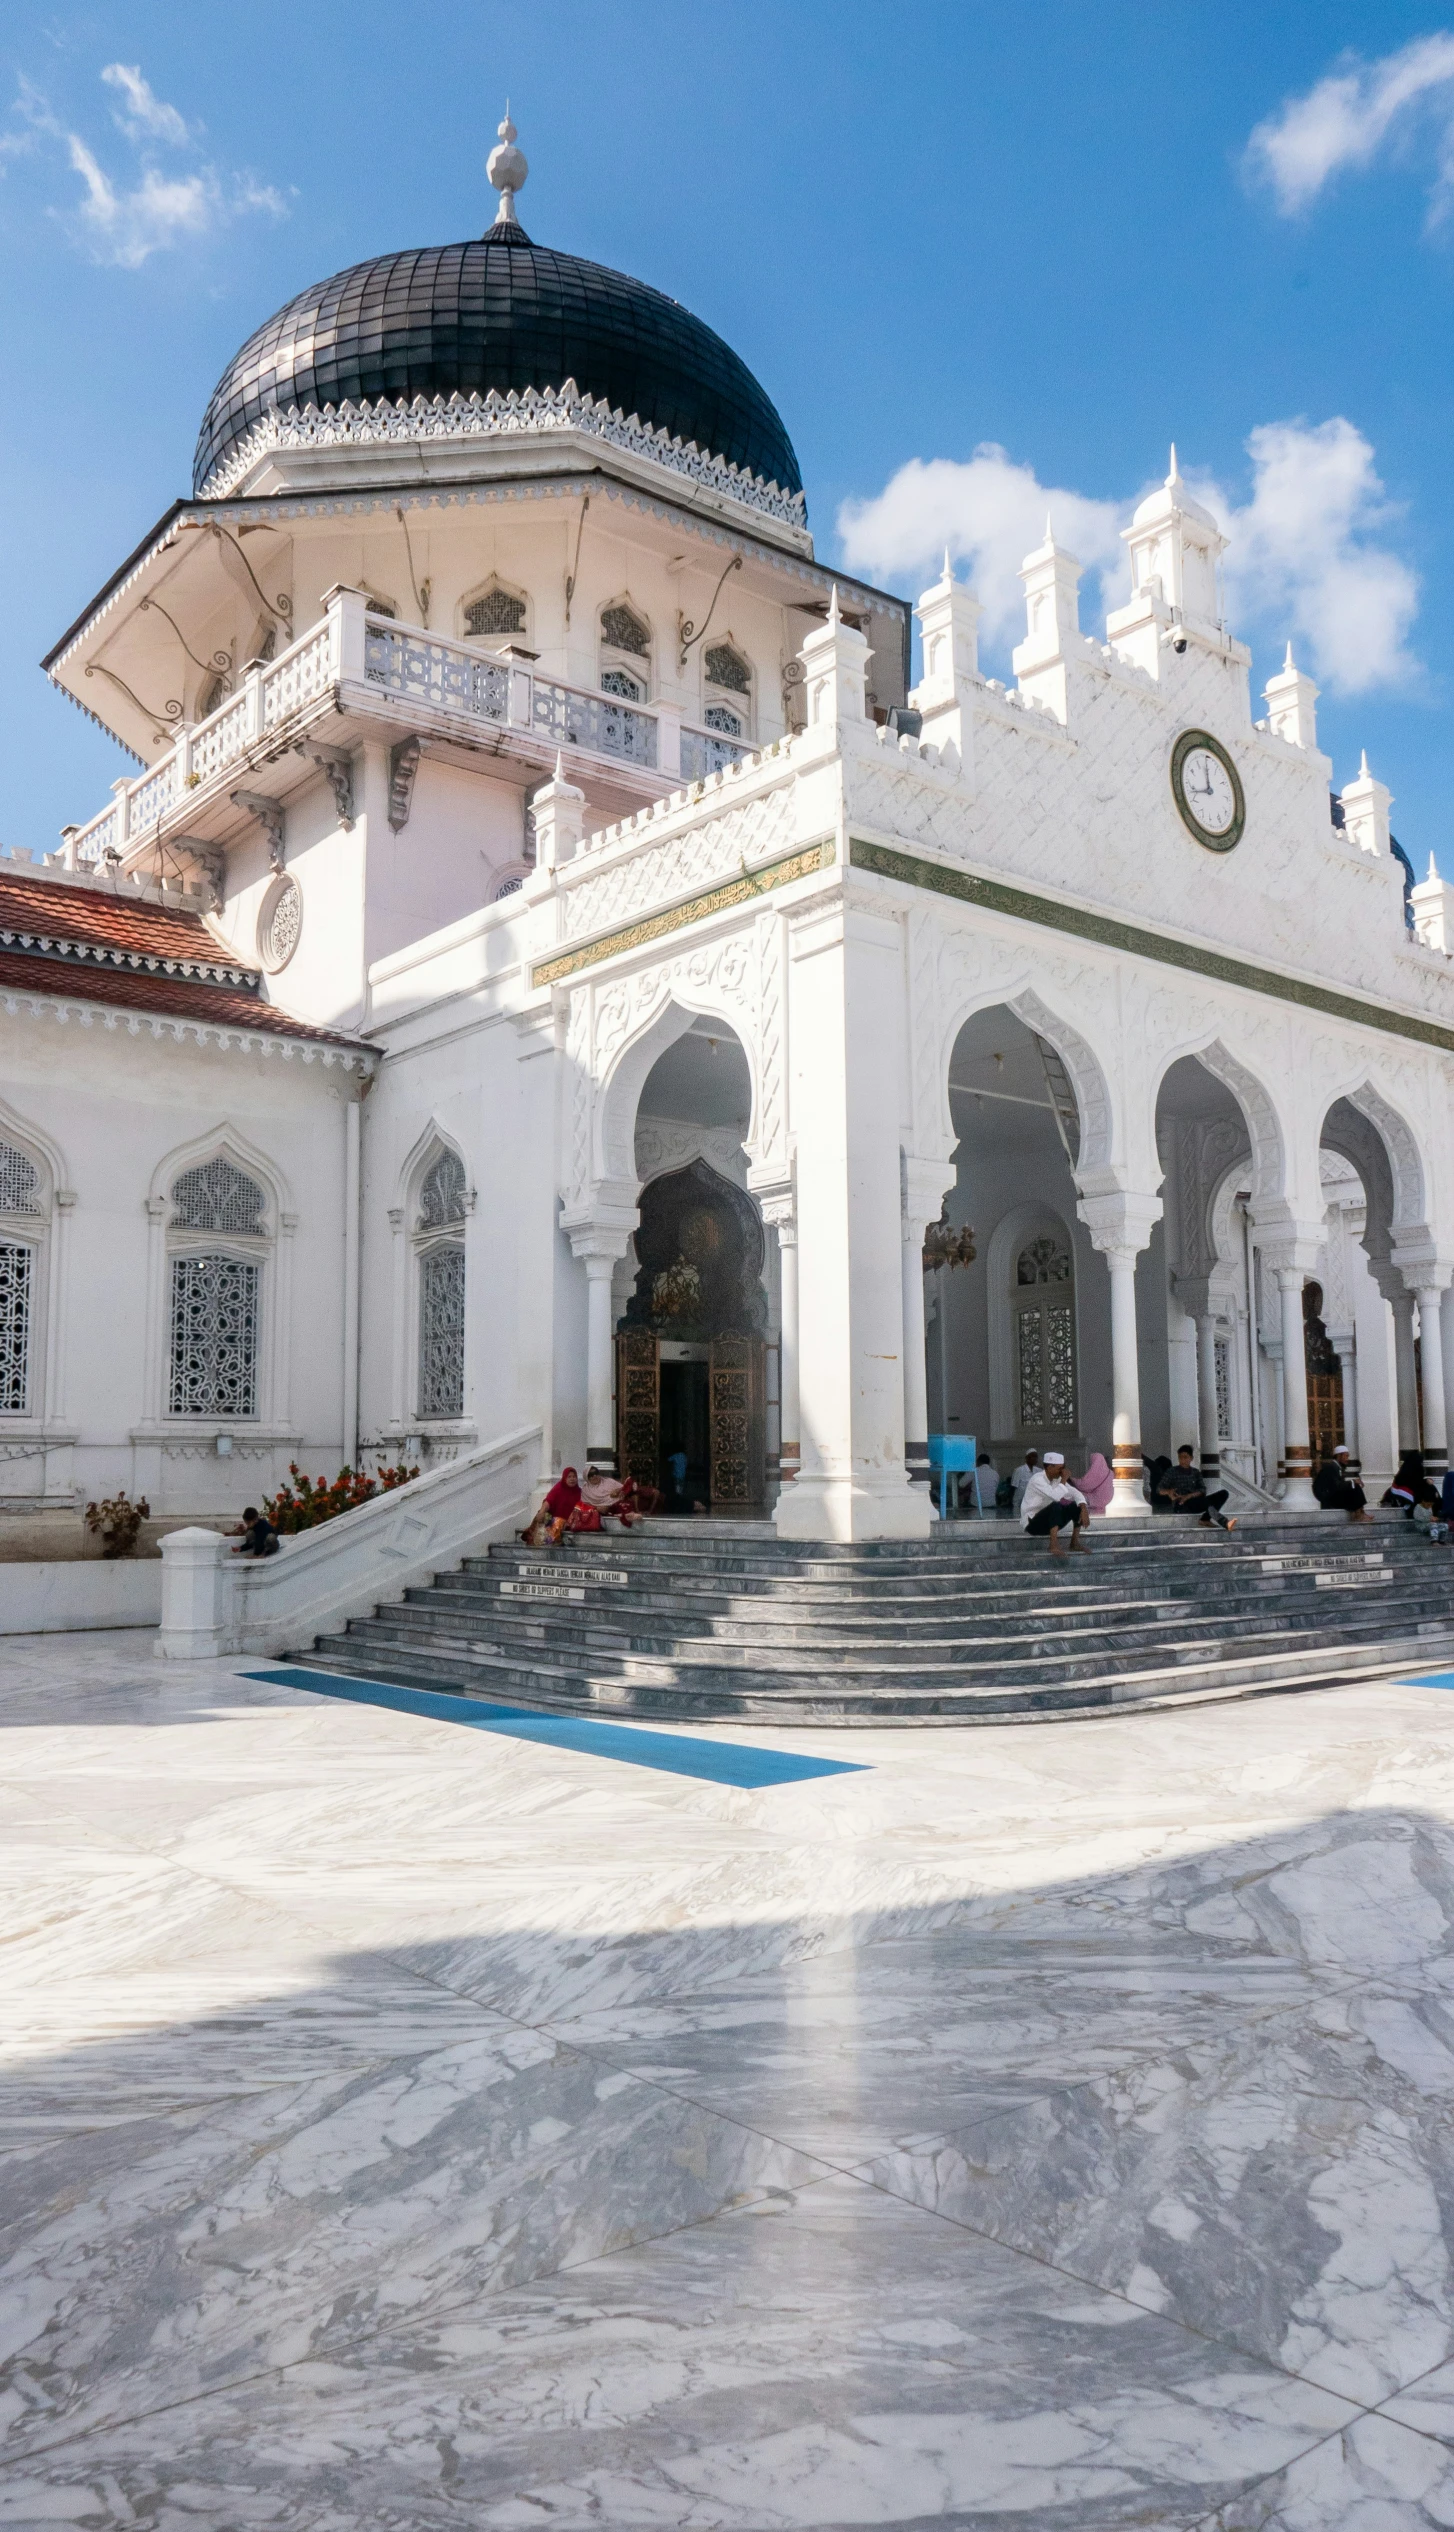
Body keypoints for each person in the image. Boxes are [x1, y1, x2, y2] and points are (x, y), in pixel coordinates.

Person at [1020, 1450, 1090, 1555]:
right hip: (1032, 1523)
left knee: (1076, 1506)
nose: (1062, 1472)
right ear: (1049, 1468)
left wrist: (1083, 1508)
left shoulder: (1057, 1480)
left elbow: (1075, 1493)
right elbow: (1055, 1496)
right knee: (1055, 1505)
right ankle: (1053, 1545)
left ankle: (1074, 1543)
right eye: (1060, 1469)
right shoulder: (1037, 1479)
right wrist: (1064, 1479)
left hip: (1050, 1521)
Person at [1157, 1445, 1237, 1530]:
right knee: (1206, 1503)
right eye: (1180, 1457)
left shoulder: (1195, 1472)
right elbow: (1159, 1489)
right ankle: (1225, 1523)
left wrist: (1189, 1496)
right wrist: (1169, 1492)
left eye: (1185, 1457)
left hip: (1196, 1501)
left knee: (1223, 1494)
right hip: (1181, 1504)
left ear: (1191, 1458)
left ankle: (1205, 1519)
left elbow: (1202, 1490)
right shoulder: (1172, 1472)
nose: (1182, 1460)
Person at [520, 1466, 585, 1547]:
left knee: (559, 1522)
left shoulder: (579, 1492)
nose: (572, 1479)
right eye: (569, 1477)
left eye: (574, 1477)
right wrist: (542, 1512)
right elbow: (549, 1501)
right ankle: (533, 1538)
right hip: (554, 1518)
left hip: (569, 1522)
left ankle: (547, 1542)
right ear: (564, 1478)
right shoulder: (558, 1488)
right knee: (541, 1515)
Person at [1313, 1444, 1369, 1520]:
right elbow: (1336, 1486)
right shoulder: (1331, 1467)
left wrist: (1352, 1483)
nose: (1347, 1459)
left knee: (1355, 1487)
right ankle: (1359, 1515)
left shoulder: (1337, 1467)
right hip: (1328, 1499)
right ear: (1339, 1456)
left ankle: (1360, 1512)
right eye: (1346, 1456)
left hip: (1332, 1496)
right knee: (1355, 1487)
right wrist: (1353, 1482)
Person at [1383, 1452, 1440, 1519]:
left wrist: (1426, 1481)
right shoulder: (1403, 1479)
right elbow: (1414, 1484)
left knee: (1431, 1488)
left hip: (1411, 1492)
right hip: (1404, 1498)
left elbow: (1417, 1482)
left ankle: (1436, 1513)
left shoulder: (1408, 1475)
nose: (1421, 1466)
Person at [1010, 1449, 1040, 1519]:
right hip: (1019, 1504)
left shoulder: (1038, 1471)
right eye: (1033, 1456)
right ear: (1027, 1458)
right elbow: (1013, 1487)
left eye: (1036, 1457)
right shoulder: (1019, 1470)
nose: (1035, 1459)